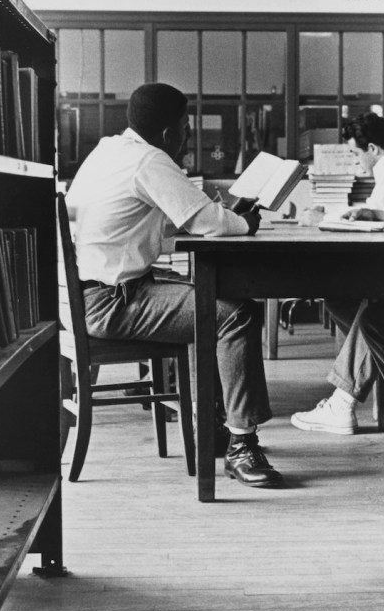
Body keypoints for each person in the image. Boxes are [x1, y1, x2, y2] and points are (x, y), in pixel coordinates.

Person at [64, 82, 283, 487]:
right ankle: (241, 445)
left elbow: (157, 217)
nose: (186, 138)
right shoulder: (149, 159)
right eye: (185, 129)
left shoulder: (108, 150)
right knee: (238, 315)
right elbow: (207, 222)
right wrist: (245, 222)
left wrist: (215, 217)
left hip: (89, 295)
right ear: (168, 133)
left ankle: (214, 427)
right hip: (113, 302)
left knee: (211, 302)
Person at [290, 110, 384, 435]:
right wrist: (377, 214)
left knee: (373, 311)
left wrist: (377, 215)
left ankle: (343, 401)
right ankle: (352, 387)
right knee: (342, 300)